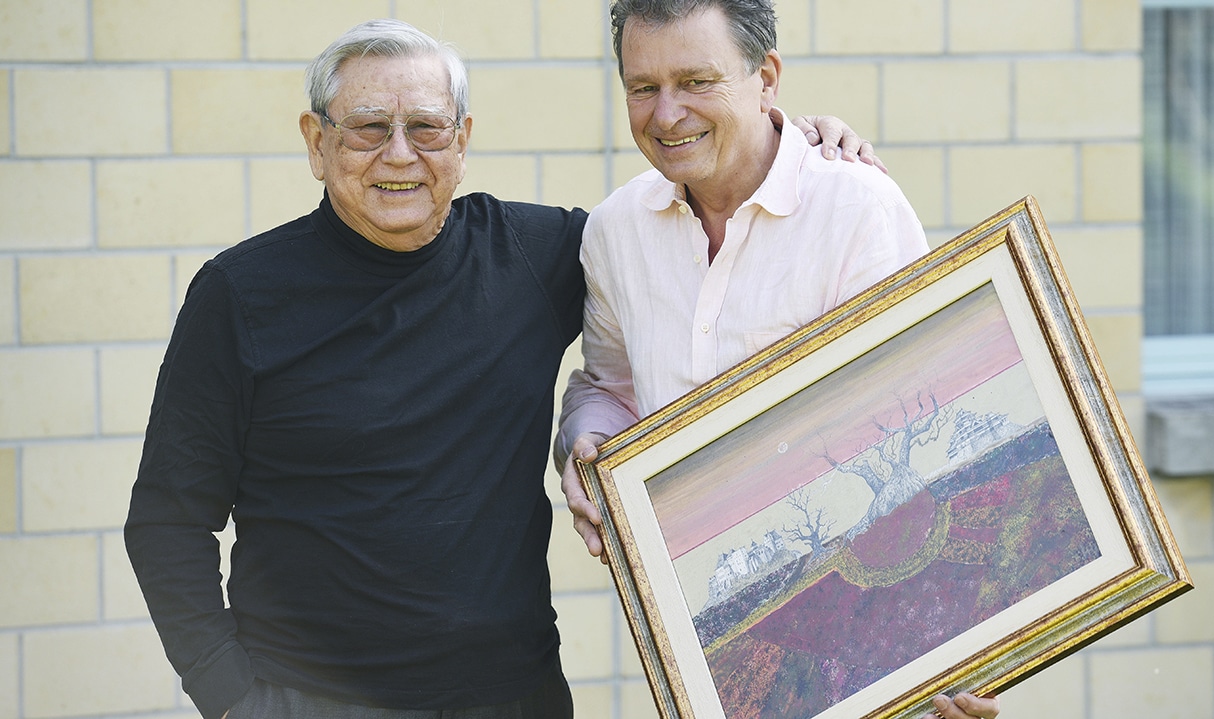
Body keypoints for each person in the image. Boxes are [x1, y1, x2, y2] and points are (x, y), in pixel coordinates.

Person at [124, 17, 883, 719]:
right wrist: (232, 699)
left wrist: (792, 142)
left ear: (462, 141)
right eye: (366, 129)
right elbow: (167, 523)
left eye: (426, 128)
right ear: (316, 143)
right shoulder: (242, 294)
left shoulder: (535, 253)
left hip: (515, 695)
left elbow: (688, 225)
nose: (399, 154)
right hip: (309, 698)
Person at [553, 2, 1001, 719]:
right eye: (643, 87)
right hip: (713, 648)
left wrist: (948, 643)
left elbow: (933, 432)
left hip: (870, 634)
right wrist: (586, 440)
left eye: (697, 80)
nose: (667, 114)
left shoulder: (857, 210)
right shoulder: (615, 230)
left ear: (766, 79)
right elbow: (608, 386)